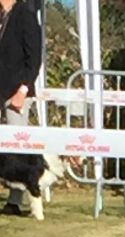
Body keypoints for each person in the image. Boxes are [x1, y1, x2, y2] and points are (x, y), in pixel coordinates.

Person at [0, 0, 43, 217]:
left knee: (17, 149)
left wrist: (23, 90)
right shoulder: (2, 15)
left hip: (17, 93)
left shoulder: (25, 15)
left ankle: (14, 201)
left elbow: (34, 58)